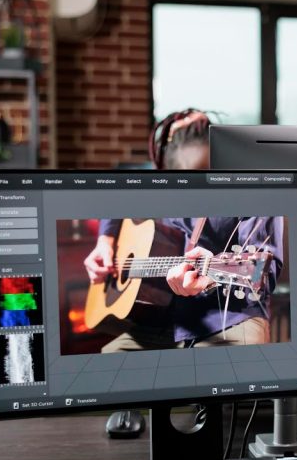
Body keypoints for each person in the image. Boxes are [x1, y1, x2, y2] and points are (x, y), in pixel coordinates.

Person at [83, 109, 283, 350]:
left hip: (227, 316)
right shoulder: (160, 184)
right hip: (163, 320)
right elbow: (112, 199)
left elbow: (263, 267)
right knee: (109, 360)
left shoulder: (252, 186)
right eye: (176, 139)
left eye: (197, 133)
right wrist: (104, 241)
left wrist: (209, 276)